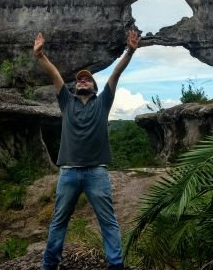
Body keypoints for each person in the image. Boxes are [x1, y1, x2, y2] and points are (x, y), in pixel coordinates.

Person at [34, 29, 141, 270]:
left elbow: (115, 73)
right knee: (59, 221)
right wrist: (40, 56)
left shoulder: (103, 102)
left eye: (87, 79)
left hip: (96, 172)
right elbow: (54, 74)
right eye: (79, 79)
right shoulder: (66, 101)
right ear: (74, 87)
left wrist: (130, 52)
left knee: (108, 222)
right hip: (69, 172)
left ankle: (116, 265)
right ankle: (49, 265)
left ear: (94, 86)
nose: (82, 80)